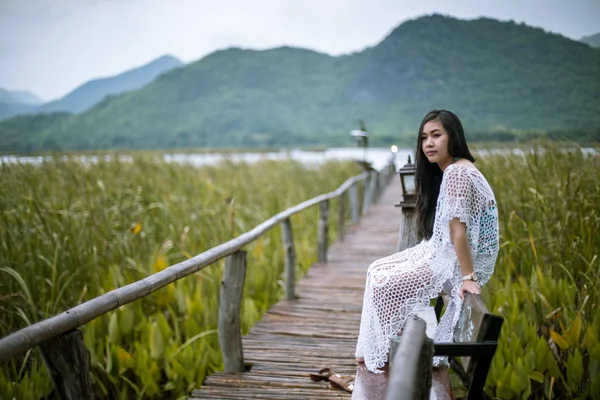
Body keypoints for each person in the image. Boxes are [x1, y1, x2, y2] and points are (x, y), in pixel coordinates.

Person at [354, 109, 499, 373]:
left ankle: (385, 353)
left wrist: (467, 276)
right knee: (377, 270)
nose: (429, 143)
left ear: (453, 137)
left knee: (384, 283)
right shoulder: (457, 170)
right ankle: (385, 347)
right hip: (447, 256)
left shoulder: (457, 173)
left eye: (436, 135)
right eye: (424, 138)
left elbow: (458, 232)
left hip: (453, 263)